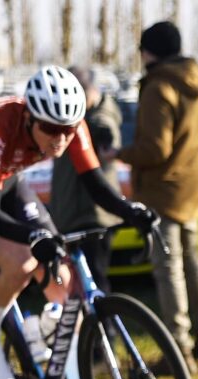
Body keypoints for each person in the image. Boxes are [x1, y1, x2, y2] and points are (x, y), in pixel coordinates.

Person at [0, 66, 157, 379]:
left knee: (67, 285)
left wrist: (131, 211)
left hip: (11, 186)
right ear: (29, 117)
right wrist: (31, 237)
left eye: (67, 130)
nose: (60, 139)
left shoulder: (72, 124)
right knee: (22, 263)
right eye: (50, 129)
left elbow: (95, 184)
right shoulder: (3, 125)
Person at [117, 21, 198, 371]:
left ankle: (179, 349)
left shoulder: (158, 86)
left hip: (162, 190)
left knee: (168, 268)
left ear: (150, 52)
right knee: (191, 262)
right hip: (192, 184)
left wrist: (119, 153)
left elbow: (154, 149)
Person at [49, 67, 123, 294]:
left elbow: (106, 129)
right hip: (72, 213)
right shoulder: (74, 116)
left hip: (92, 217)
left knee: (95, 283)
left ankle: (105, 328)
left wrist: (104, 135)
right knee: (75, 285)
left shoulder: (100, 116)